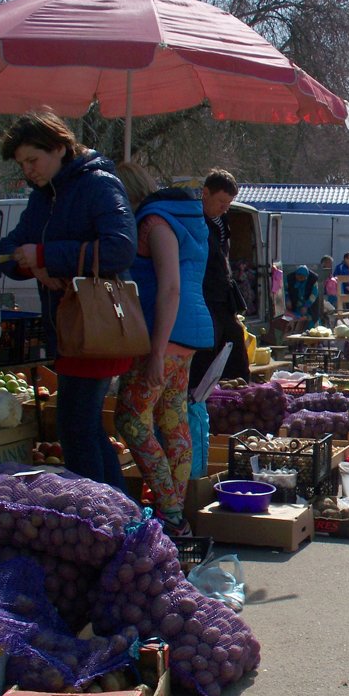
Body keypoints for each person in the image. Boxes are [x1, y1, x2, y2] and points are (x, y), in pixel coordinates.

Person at [0, 110, 136, 489]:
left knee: (75, 430)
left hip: (97, 328)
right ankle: (121, 518)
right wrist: (32, 265)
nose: (28, 171)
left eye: (32, 160)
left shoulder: (99, 184)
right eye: (22, 163)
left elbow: (120, 249)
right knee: (84, 428)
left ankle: (97, 520)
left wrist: (45, 256)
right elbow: (7, 250)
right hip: (70, 331)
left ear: (59, 148)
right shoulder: (43, 198)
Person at [114, 163, 214, 536]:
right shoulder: (187, 217)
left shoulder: (154, 222)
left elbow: (170, 287)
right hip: (187, 334)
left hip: (165, 333)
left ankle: (170, 510)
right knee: (173, 420)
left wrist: (155, 351)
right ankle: (174, 512)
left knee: (130, 418)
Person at [188, 168, 250, 393]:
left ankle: (237, 393)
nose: (225, 207)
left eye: (229, 203)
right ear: (205, 193)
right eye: (221, 201)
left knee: (234, 341)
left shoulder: (223, 220)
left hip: (223, 296)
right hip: (203, 296)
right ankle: (201, 396)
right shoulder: (194, 220)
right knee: (207, 346)